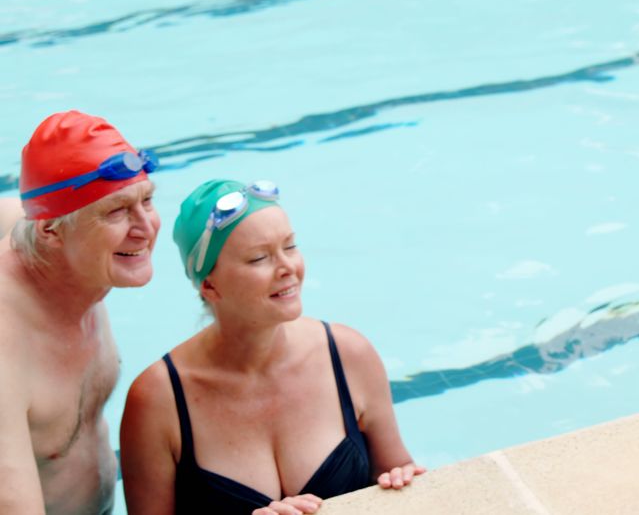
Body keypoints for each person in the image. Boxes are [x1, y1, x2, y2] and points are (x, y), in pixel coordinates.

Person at [120, 179, 423, 515]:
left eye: (290, 246)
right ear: (209, 285)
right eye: (259, 258)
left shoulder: (349, 355)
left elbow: (398, 473)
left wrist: (403, 478)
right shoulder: (158, 400)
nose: (288, 268)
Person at [0, 110, 159, 514]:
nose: (146, 227)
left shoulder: (57, 239)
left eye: (147, 200)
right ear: (51, 232)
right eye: (117, 211)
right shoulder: (8, 351)